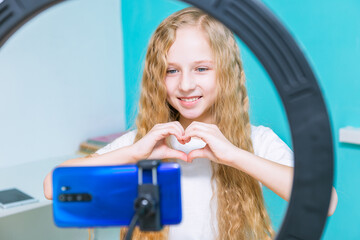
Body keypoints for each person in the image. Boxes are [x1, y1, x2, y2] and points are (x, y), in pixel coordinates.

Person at [43, 7, 337, 240]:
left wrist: (234, 155)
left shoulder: (257, 140)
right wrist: (134, 154)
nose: (185, 84)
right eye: (171, 70)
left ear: (226, 73)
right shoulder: (145, 143)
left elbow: (326, 201)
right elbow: (52, 187)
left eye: (201, 68)